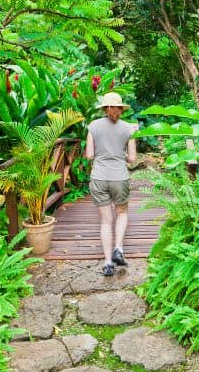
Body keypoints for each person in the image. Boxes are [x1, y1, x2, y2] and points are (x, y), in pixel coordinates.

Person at [85, 92, 138, 276]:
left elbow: (90, 155)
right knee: (122, 213)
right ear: (121, 108)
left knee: (106, 221)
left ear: (105, 108)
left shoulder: (93, 126)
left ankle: (108, 263)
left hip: (99, 177)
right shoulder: (129, 128)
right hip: (119, 178)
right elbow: (132, 158)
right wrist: (120, 153)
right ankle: (119, 249)